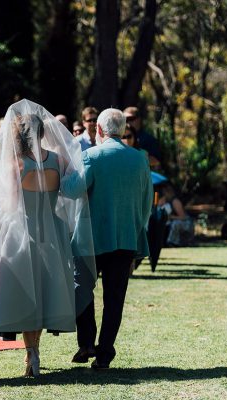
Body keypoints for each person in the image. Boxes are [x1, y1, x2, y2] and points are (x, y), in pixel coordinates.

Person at [0, 99, 96, 377]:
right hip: (53, 233)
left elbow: (6, 204)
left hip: (23, 231)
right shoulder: (59, 159)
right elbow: (71, 191)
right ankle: (36, 348)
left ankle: (31, 352)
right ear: (43, 133)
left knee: (27, 295)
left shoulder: (16, 164)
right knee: (45, 292)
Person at [73, 108, 153, 370]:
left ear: (98, 129)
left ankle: (86, 342)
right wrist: (138, 227)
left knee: (82, 288)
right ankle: (104, 352)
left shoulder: (92, 156)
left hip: (93, 239)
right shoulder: (140, 159)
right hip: (126, 237)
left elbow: (72, 189)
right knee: (114, 298)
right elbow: (145, 201)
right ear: (122, 129)